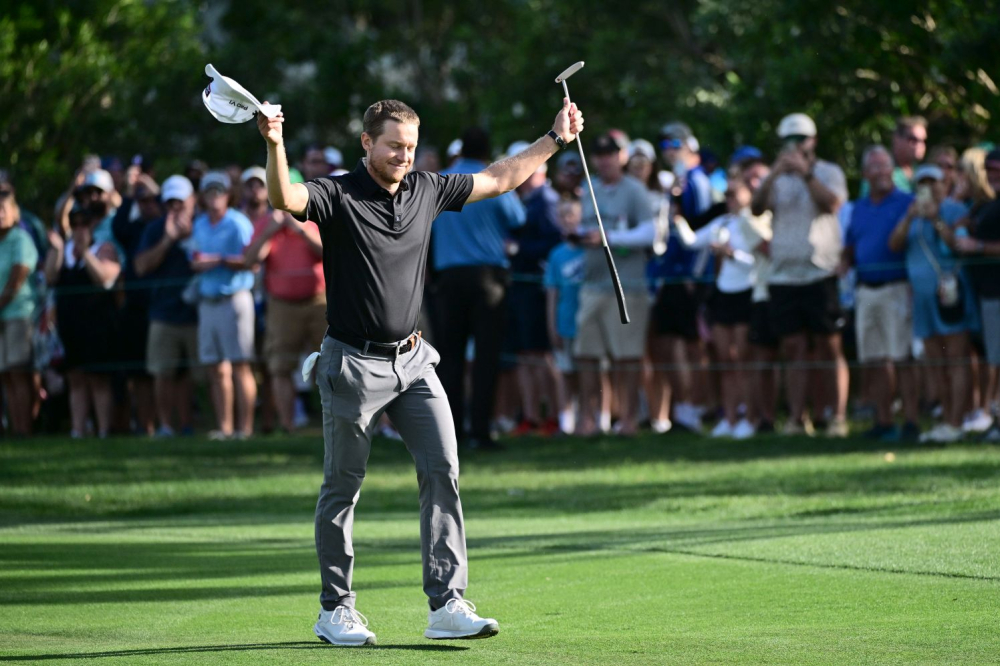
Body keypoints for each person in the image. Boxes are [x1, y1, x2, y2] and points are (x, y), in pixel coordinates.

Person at [258, 96, 583, 645]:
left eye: (410, 147)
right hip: (351, 363)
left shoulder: (427, 189)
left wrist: (553, 140)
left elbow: (499, 179)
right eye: (393, 147)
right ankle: (335, 609)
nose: (403, 156)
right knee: (343, 485)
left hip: (412, 360)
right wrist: (274, 143)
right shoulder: (336, 193)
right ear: (367, 143)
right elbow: (283, 197)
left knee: (443, 471)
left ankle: (447, 604)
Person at [751, 113, 849, 436]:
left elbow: (832, 204)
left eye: (801, 139)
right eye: (789, 141)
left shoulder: (828, 172)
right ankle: (797, 418)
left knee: (829, 346)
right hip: (783, 275)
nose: (795, 146)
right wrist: (775, 173)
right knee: (792, 347)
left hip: (820, 271)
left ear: (813, 141)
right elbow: (756, 208)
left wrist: (806, 174)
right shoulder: (776, 177)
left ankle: (835, 418)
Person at [431, 127, 526, 450]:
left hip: (448, 278)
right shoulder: (491, 179)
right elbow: (518, 217)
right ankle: (481, 431)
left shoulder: (439, 181)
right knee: (486, 358)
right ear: (486, 151)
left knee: (451, 359)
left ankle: (451, 432)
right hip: (488, 278)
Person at [888, 165, 978, 443]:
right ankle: (944, 418)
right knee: (935, 362)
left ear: (944, 183)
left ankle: (956, 420)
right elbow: (894, 245)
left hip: (949, 299)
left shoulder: (953, 211)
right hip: (922, 302)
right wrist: (909, 218)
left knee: (955, 359)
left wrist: (936, 219)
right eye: (923, 183)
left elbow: (957, 245)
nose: (929, 188)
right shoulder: (912, 214)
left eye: (934, 182)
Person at [673, 176, 767, 439]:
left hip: (746, 293)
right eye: (727, 195)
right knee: (725, 361)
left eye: (735, 194)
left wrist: (731, 255)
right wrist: (678, 220)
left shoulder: (753, 222)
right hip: (723, 294)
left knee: (745, 360)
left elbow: (759, 260)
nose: (730, 199)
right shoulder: (721, 222)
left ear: (748, 196)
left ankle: (750, 417)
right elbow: (691, 241)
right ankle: (730, 417)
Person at [574, 131, 654, 436]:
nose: (605, 160)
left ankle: (629, 420)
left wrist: (608, 238)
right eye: (600, 154)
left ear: (622, 156)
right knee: (586, 355)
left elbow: (649, 233)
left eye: (611, 154)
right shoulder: (588, 188)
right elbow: (584, 228)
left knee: (627, 357)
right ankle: (589, 420)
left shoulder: (634, 189)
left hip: (627, 287)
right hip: (591, 284)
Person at [840, 146, 919, 441]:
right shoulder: (858, 208)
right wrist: (844, 261)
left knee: (901, 357)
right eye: (875, 167)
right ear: (865, 174)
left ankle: (910, 421)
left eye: (886, 166)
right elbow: (850, 245)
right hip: (864, 290)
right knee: (874, 359)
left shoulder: (906, 202)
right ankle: (883, 420)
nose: (882, 172)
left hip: (896, 287)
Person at [244, 169, 326, 433]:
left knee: (330, 366)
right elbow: (250, 261)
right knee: (280, 366)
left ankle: (333, 424)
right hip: (281, 304)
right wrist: (269, 231)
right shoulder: (266, 223)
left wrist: (300, 229)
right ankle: (289, 426)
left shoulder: (316, 218)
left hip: (319, 302)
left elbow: (328, 253)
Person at [647, 121, 715, 432]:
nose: (669, 151)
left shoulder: (697, 182)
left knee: (690, 345)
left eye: (675, 145)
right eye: (665, 146)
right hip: (671, 274)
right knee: (668, 342)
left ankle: (694, 408)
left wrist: (693, 275)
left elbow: (703, 230)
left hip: (688, 277)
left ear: (690, 146)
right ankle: (683, 408)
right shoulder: (677, 181)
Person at [44, 206, 121, 438]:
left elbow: (104, 279)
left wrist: (85, 251)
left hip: (98, 327)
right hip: (70, 327)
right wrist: (58, 250)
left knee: (98, 379)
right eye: (74, 224)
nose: (79, 229)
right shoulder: (62, 250)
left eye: (84, 224)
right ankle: (78, 430)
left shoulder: (103, 248)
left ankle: (104, 430)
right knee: (75, 378)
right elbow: (49, 278)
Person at [191, 171, 257, 440]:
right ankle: (225, 428)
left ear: (228, 195)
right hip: (208, 301)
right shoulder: (200, 224)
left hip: (235, 298)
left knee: (241, 365)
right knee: (215, 368)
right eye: (209, 191)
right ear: (203, 197)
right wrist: (206, 262)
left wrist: (218, 259)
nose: (214, 196)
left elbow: (252, 260)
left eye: (219, 191)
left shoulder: (238, 222)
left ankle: (246, 429)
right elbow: (194, 260)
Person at [134, 176, 200, 437]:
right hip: (163, 312)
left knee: (192, 375)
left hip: (198, 313)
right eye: (170, 202)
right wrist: (168, 239)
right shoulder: (155, 229)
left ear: (192, 201)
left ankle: (189, 425)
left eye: (180, 202)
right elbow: (141, 266)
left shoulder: (204, 225)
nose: (175, 208)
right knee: (163, 372)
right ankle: (166, 427)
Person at [505, 141, 563, 436]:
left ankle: (553, 416)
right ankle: (530, 417)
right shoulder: (522, 199)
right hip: (520, 287)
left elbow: (554, 241)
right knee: (523, 354)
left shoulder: (547, 200)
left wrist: (518, 249)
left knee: (540, 355)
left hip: (537, 287)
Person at [952, 149, 1000, 441]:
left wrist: (978, 247)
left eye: (998, 170)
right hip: (987, 294)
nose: (994, 175)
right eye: (990, 170)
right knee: (993, 356)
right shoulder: (986, 205)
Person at [111, 173, 162, 435]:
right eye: (142, 201)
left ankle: (168, 425)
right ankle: (147, 427)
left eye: (152, 200)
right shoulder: (132, 230)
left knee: (164, 373)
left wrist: (155, 189)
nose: (147, 205)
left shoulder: (167, 225)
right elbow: (117, 225)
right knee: (140, 374)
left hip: (163, 309)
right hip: (136, 310)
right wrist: (131, 192)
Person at [544, 198, 585, 435]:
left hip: (588, 324)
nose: (569, 220)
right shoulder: (556, 255)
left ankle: (595, 419)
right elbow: (552, 294)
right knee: (565, 374)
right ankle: (566, 421)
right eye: (564, 215)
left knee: (590, 373)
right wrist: (552, 326)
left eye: (573, 214)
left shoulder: (591, 250)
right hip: (565, 322)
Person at [0, 188, 39, 435]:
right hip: (2, 317)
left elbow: (17, 278)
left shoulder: (21, 239)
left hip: (19, 315)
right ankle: (15, 429)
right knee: (5, 375)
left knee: (18, 372)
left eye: (3, 209)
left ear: (15, 214)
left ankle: (25, 429)